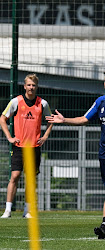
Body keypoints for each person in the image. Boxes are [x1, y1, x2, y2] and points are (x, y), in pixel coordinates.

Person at [46, 69, 105, 239]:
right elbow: (84, 119)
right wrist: (64, 120)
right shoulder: (100, 101)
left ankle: (103, 226)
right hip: (104, 153)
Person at [0, 73, 53, 218]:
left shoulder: (42, 103)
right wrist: (10, 137)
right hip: (19, 146)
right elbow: (2, 118)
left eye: (33, 85)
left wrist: (45, 136)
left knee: (30, 178)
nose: (31, 87)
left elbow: (51, 120)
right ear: (24, 86)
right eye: (29, 85)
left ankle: (27, 210)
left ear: (37, 87)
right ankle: (8, 210)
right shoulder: (16, 102)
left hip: (34, 147)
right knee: (15, 176)